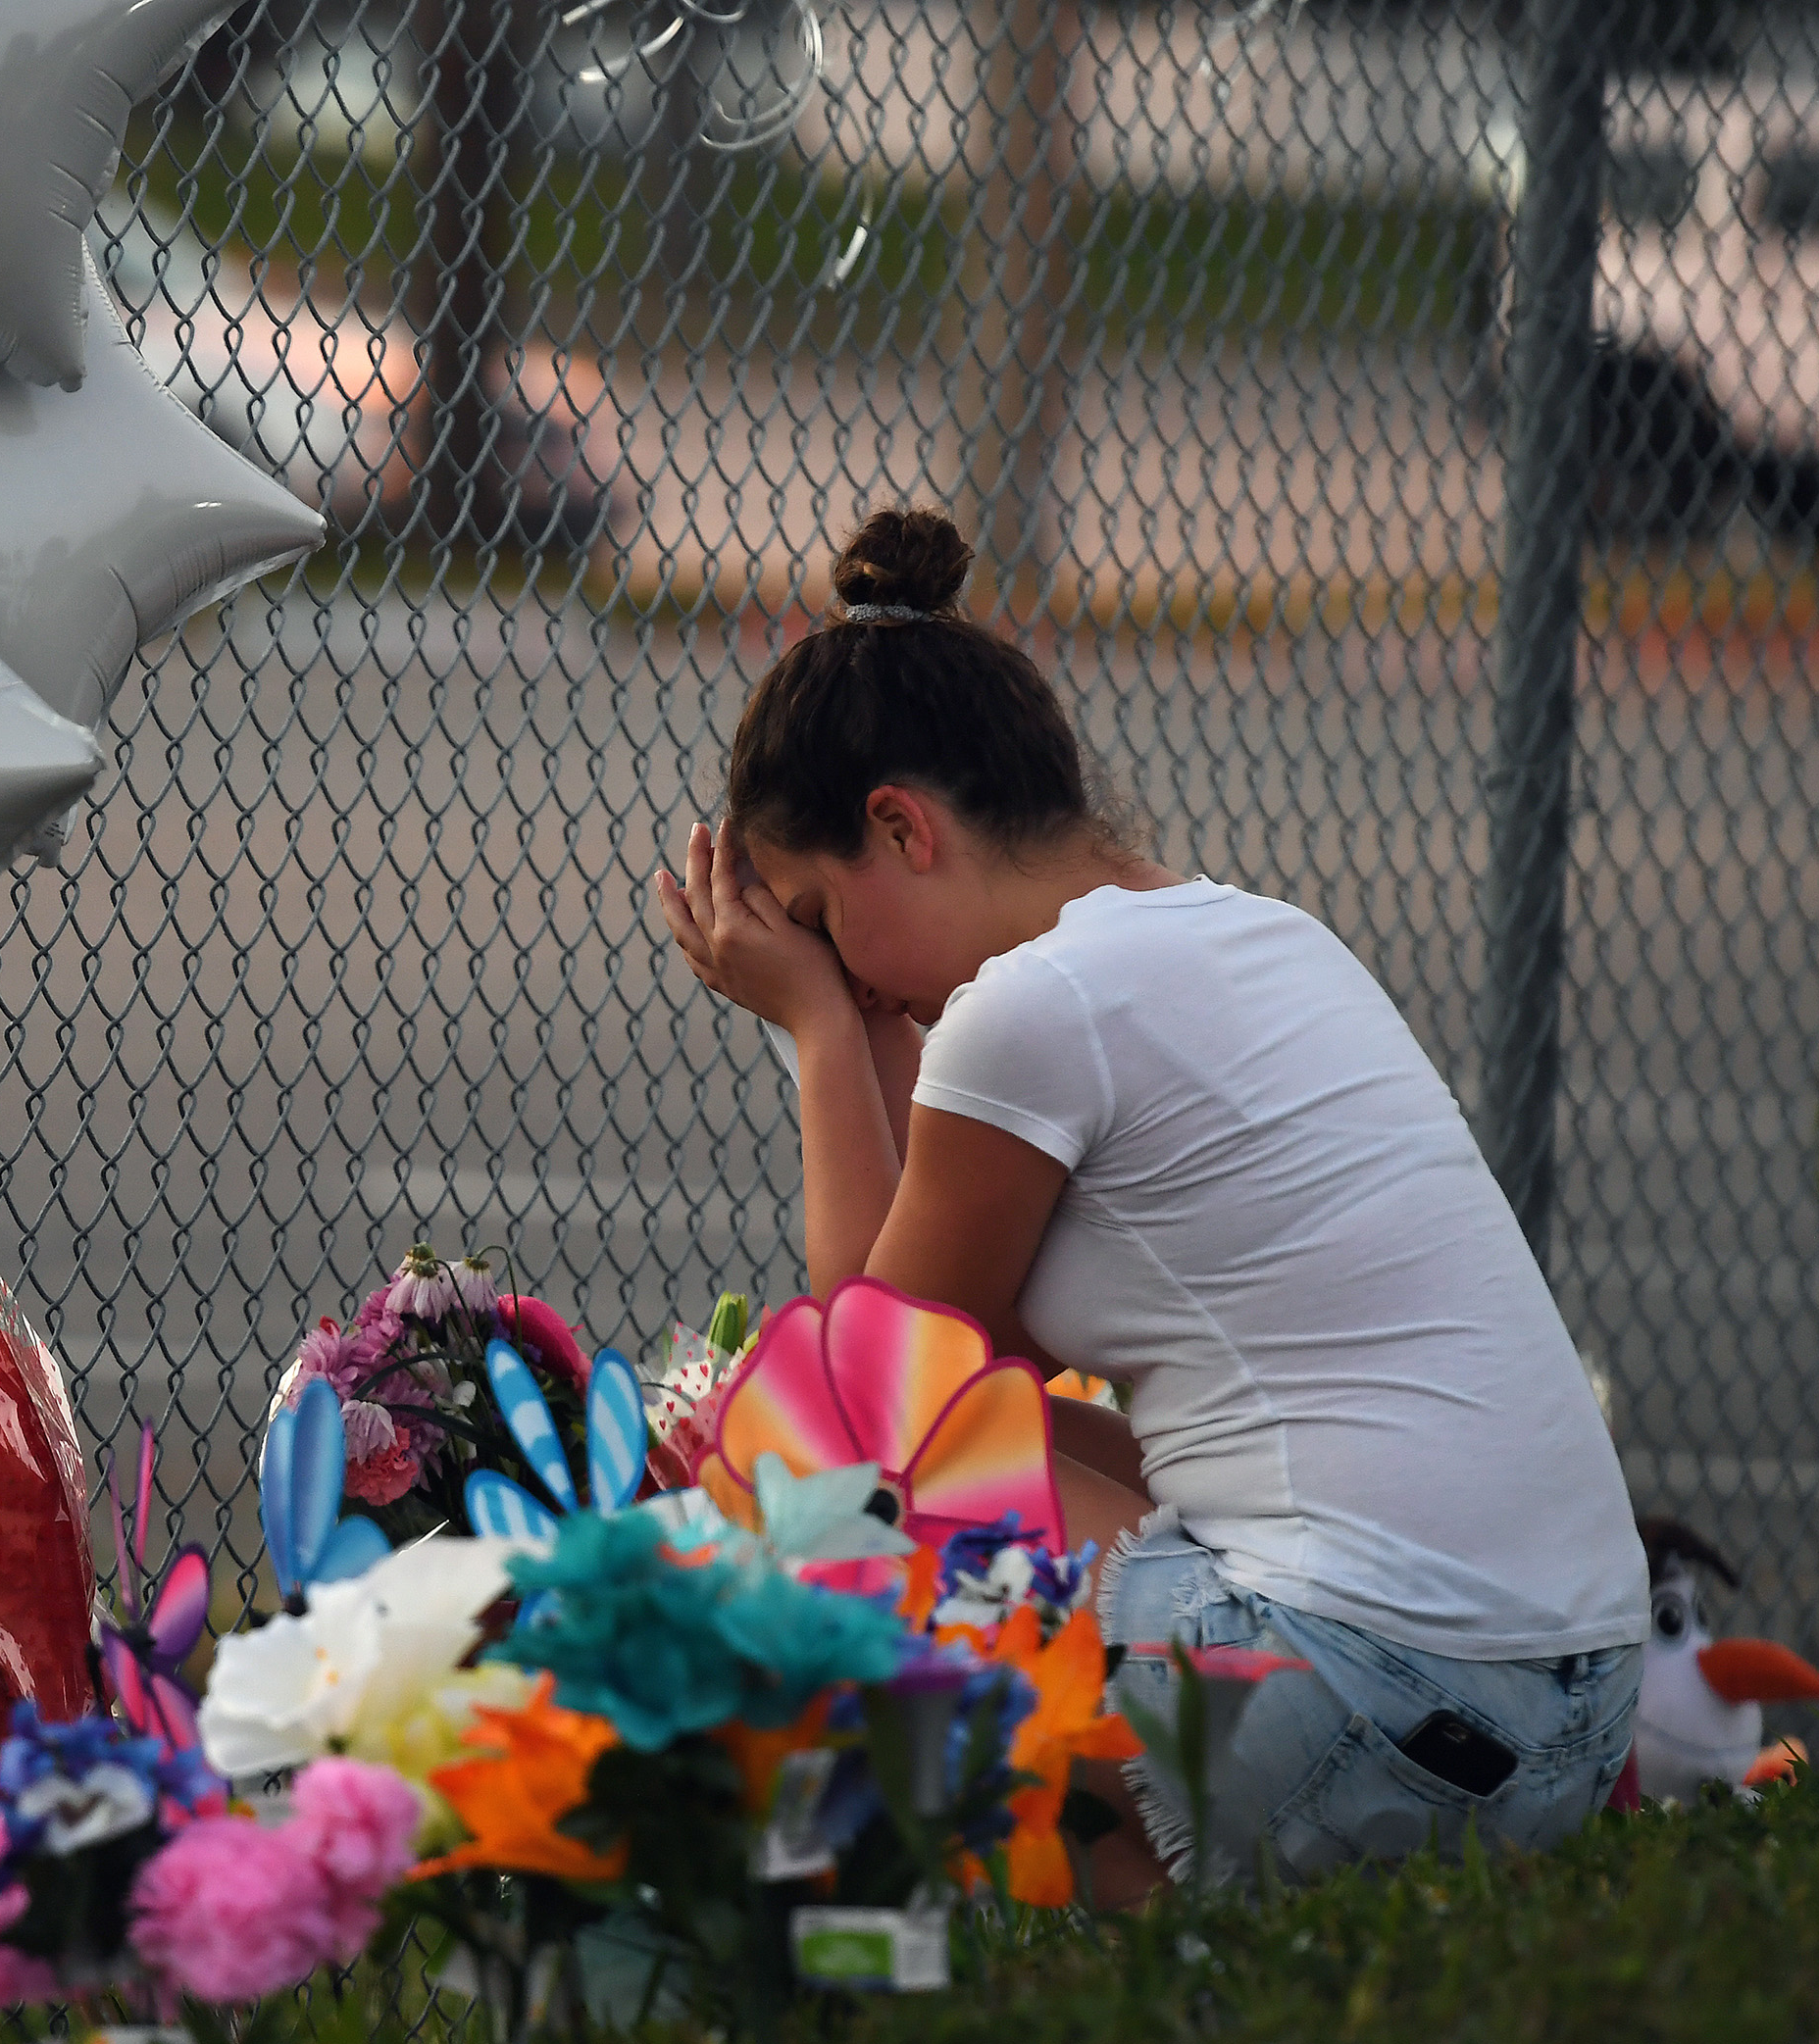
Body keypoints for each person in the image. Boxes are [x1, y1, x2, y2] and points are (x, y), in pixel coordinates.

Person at [651, 507, 1643, 1902]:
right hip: (1573, 1721)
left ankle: (852, 1962)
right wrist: (849, 993)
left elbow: (868, 1402)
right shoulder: (1248, 931)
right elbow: (952, 1354)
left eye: (820, 918)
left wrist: (820, 1030)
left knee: (829, 1494)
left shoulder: (1034, 1012)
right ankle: (1179, 1931)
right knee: (1049, 1445)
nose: (847, 976)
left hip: (1380, 1709)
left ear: (902, 826)